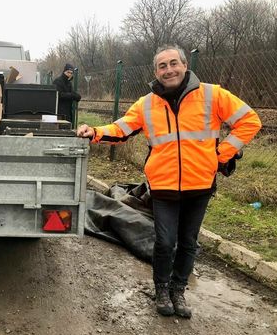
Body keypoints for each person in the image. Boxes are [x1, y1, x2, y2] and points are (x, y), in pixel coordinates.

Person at [77, 44, 261, 319]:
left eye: (174, 63)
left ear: (185, 65)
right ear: (156, 72)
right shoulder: (147, 103)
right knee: (164, 242)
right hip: (163, 186)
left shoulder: (212, 95)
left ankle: (178, 290)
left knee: (188, 242)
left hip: (200, 185)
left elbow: (249, 120)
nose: (169, 70)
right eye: (162, 66)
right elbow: (121, 129)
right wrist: (94, 132)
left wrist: (221, 155)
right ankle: (162, 289)